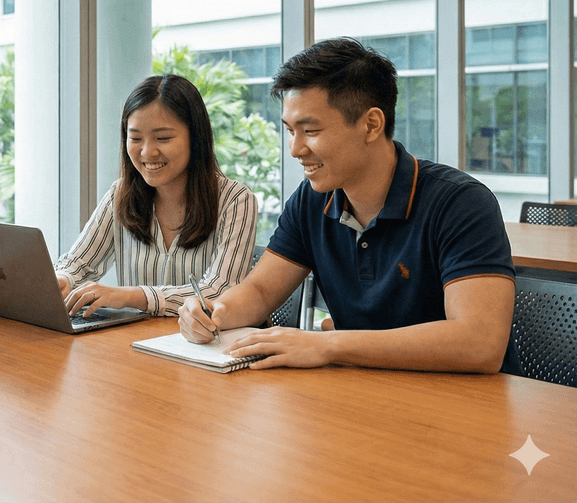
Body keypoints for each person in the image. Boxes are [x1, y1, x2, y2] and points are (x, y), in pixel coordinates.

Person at [179, 37, 521, 375]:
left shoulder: (460, 203)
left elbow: (479, 343)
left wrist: (327, 345)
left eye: (310, 130)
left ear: (371, 124)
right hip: (364, 394)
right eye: (290, 131)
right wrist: (214, 310)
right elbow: (261, 290)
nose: (296, 149)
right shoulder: (312, 199)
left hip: (468, 408)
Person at [56, 74, 258, 318]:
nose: (147, 152)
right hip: (132, 345)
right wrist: (63, 279)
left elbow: (220, 292)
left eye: (163, 138)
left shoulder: (235, 200)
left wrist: (132, 296)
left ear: (196, 138)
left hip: (200, 349)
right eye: (135, 138)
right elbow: (78, 265)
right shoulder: (120, 195)